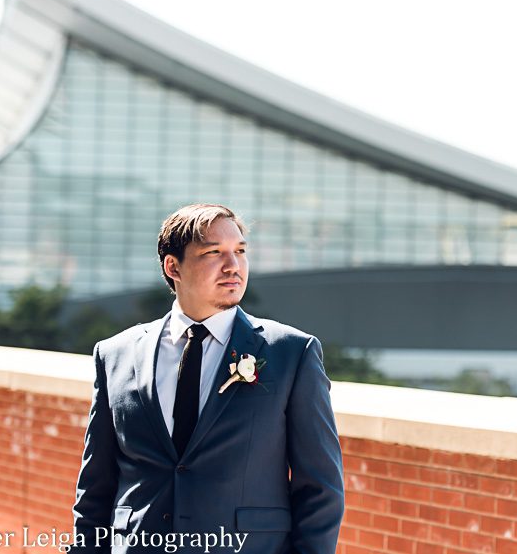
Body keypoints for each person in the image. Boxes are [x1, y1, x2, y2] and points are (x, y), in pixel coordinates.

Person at [67, 203, 344, 554]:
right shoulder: (115, 354)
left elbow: (320, 487)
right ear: (173, 267)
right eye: (214, 252)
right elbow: (95, 487)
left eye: (240, 251)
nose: (233, 266)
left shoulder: (291, 353)